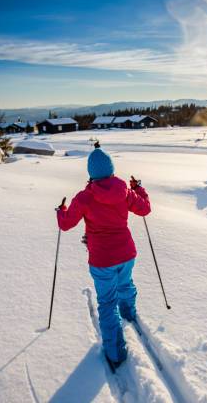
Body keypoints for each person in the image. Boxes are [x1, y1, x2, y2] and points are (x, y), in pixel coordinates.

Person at [56, 144, 151, 369]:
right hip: (127, 253)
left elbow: (66, 224)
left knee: (108, 303)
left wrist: (61, 211)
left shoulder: (84, 198)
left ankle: (116, 353)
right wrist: (138, 189)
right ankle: (128, 312)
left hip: (102, 260)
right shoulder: (124, 191)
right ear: (111, 168)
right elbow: (144, 209)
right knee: (126, 284)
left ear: (91, 173)